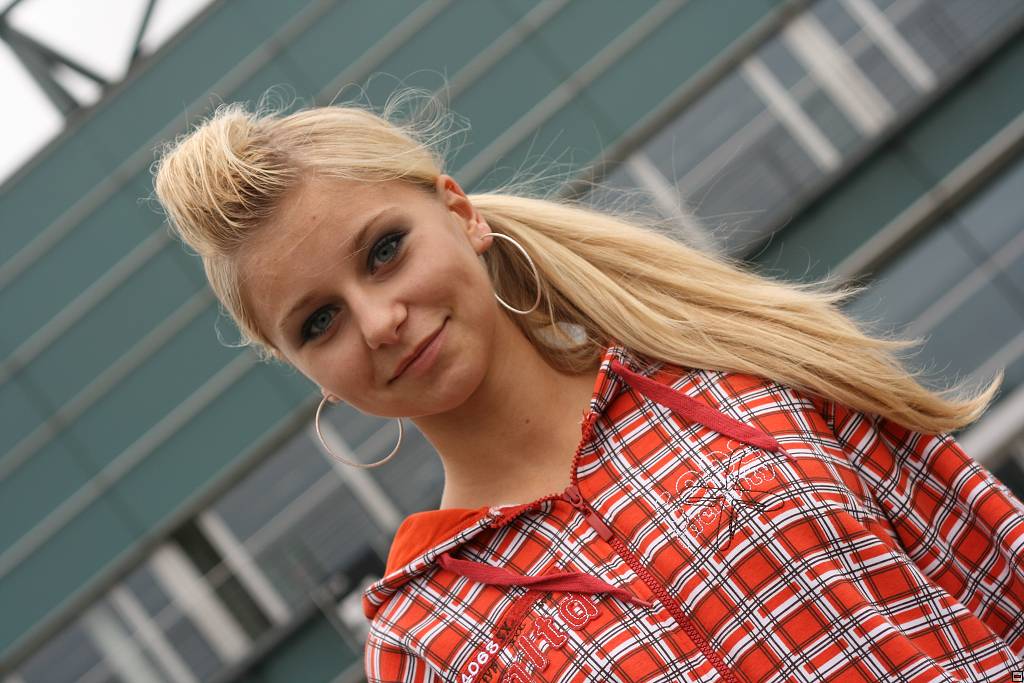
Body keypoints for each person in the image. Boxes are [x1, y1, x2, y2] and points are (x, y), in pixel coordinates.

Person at [152, 90, 1024, 682]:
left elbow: (1000, 571)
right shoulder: (425, 646)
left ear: (460, 213)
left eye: (385, 250)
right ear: (306, 370)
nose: (379, 320)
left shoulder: (734, 367)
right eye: (319, 322)